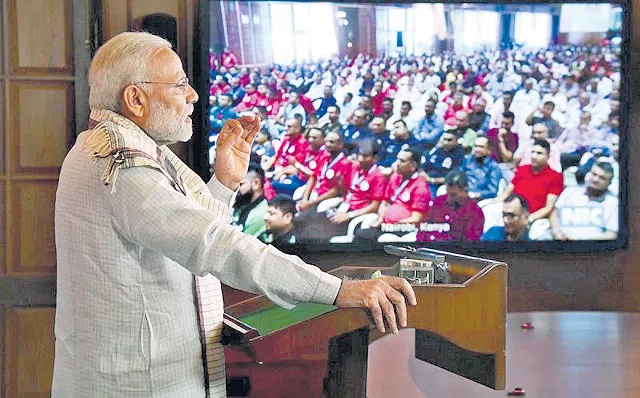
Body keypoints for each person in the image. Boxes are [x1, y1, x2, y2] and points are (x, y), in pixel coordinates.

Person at [53, 32, 416, 397]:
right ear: (135, 98)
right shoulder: (124, 166)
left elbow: (179, 235)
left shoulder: (113, 147)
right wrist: (339, 291)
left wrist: (225, 182)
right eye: (180, 84)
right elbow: (215, 245)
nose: (193, 95)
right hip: (139, 385)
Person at [550, 162, 618, 241]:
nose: (595, 179)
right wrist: (556, 231)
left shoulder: (613, 203)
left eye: (602, 178)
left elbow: (611, 234)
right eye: (594, 174)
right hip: (560, 240)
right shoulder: (571, 191)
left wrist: (581, 240)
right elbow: (554, 212)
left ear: (609, 183)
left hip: (591, 248)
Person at [416, 170, 484, 242]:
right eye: (448, 193)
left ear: (465, 190)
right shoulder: (438, 202)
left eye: (453, 195)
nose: (449, 198)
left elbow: (470, 242)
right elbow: (423, 227)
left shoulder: (475, 211)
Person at [459, 136, 503, 201]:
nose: (477, 149)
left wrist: (475, 195)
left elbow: (492, 191)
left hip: (478, 198)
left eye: (481, 147)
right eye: (475, 146)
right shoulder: (467, 160)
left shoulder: (493, 167)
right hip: (461, 193)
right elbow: (458, 176)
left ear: (489, 150)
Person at [232, 164, 268, 237]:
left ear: (256, 183)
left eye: (241, 184)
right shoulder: (240, 202)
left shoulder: (261, 213)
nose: (236, 188)